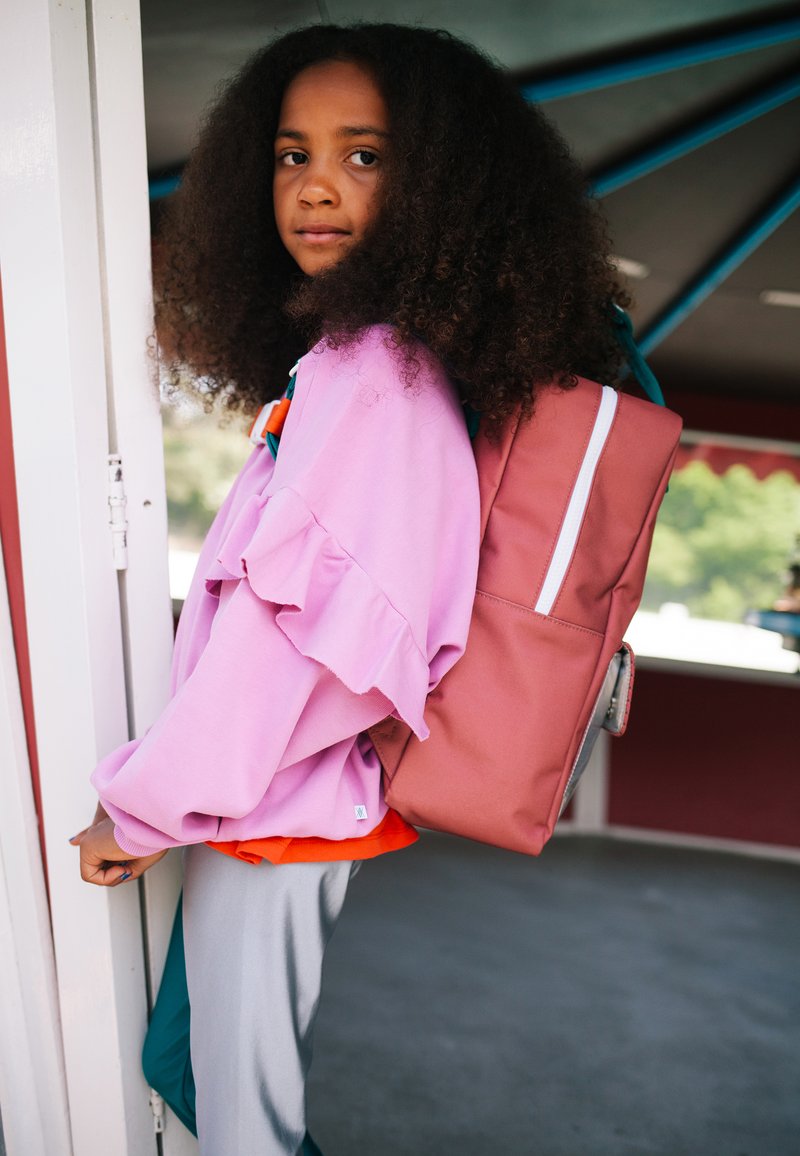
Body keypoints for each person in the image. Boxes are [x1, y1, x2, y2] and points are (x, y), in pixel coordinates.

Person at [71, 22, 626, 1155]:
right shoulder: (366, 363)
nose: (315, 184)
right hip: (277, 808)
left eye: (363, 155)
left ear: (441, 187)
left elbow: (298, 651)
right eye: (290, 153)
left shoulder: (373, 376)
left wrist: (141, 803)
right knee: (227, 1095)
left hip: (278, 814)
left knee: (239, 1119)